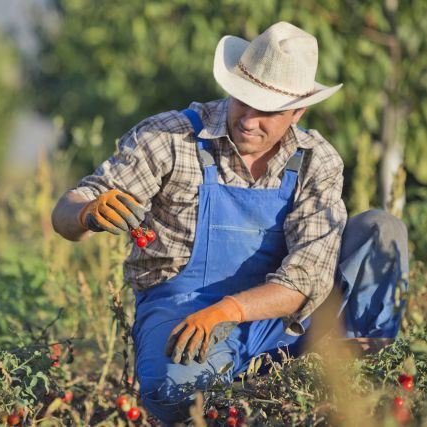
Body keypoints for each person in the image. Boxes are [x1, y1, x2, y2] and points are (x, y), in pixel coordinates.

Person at [51, 21, 409, 425]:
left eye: (267, 111)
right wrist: (85, 213)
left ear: (297, 112)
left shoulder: (316, 160)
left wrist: (230, 309)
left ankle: (363, 384)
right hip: (184, 311)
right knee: (175, 394)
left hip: (281, 317)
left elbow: (309, 277)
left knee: (382, 231)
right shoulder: (170, 137)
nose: (248, 119)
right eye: (243, 99)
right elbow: (67, 210)